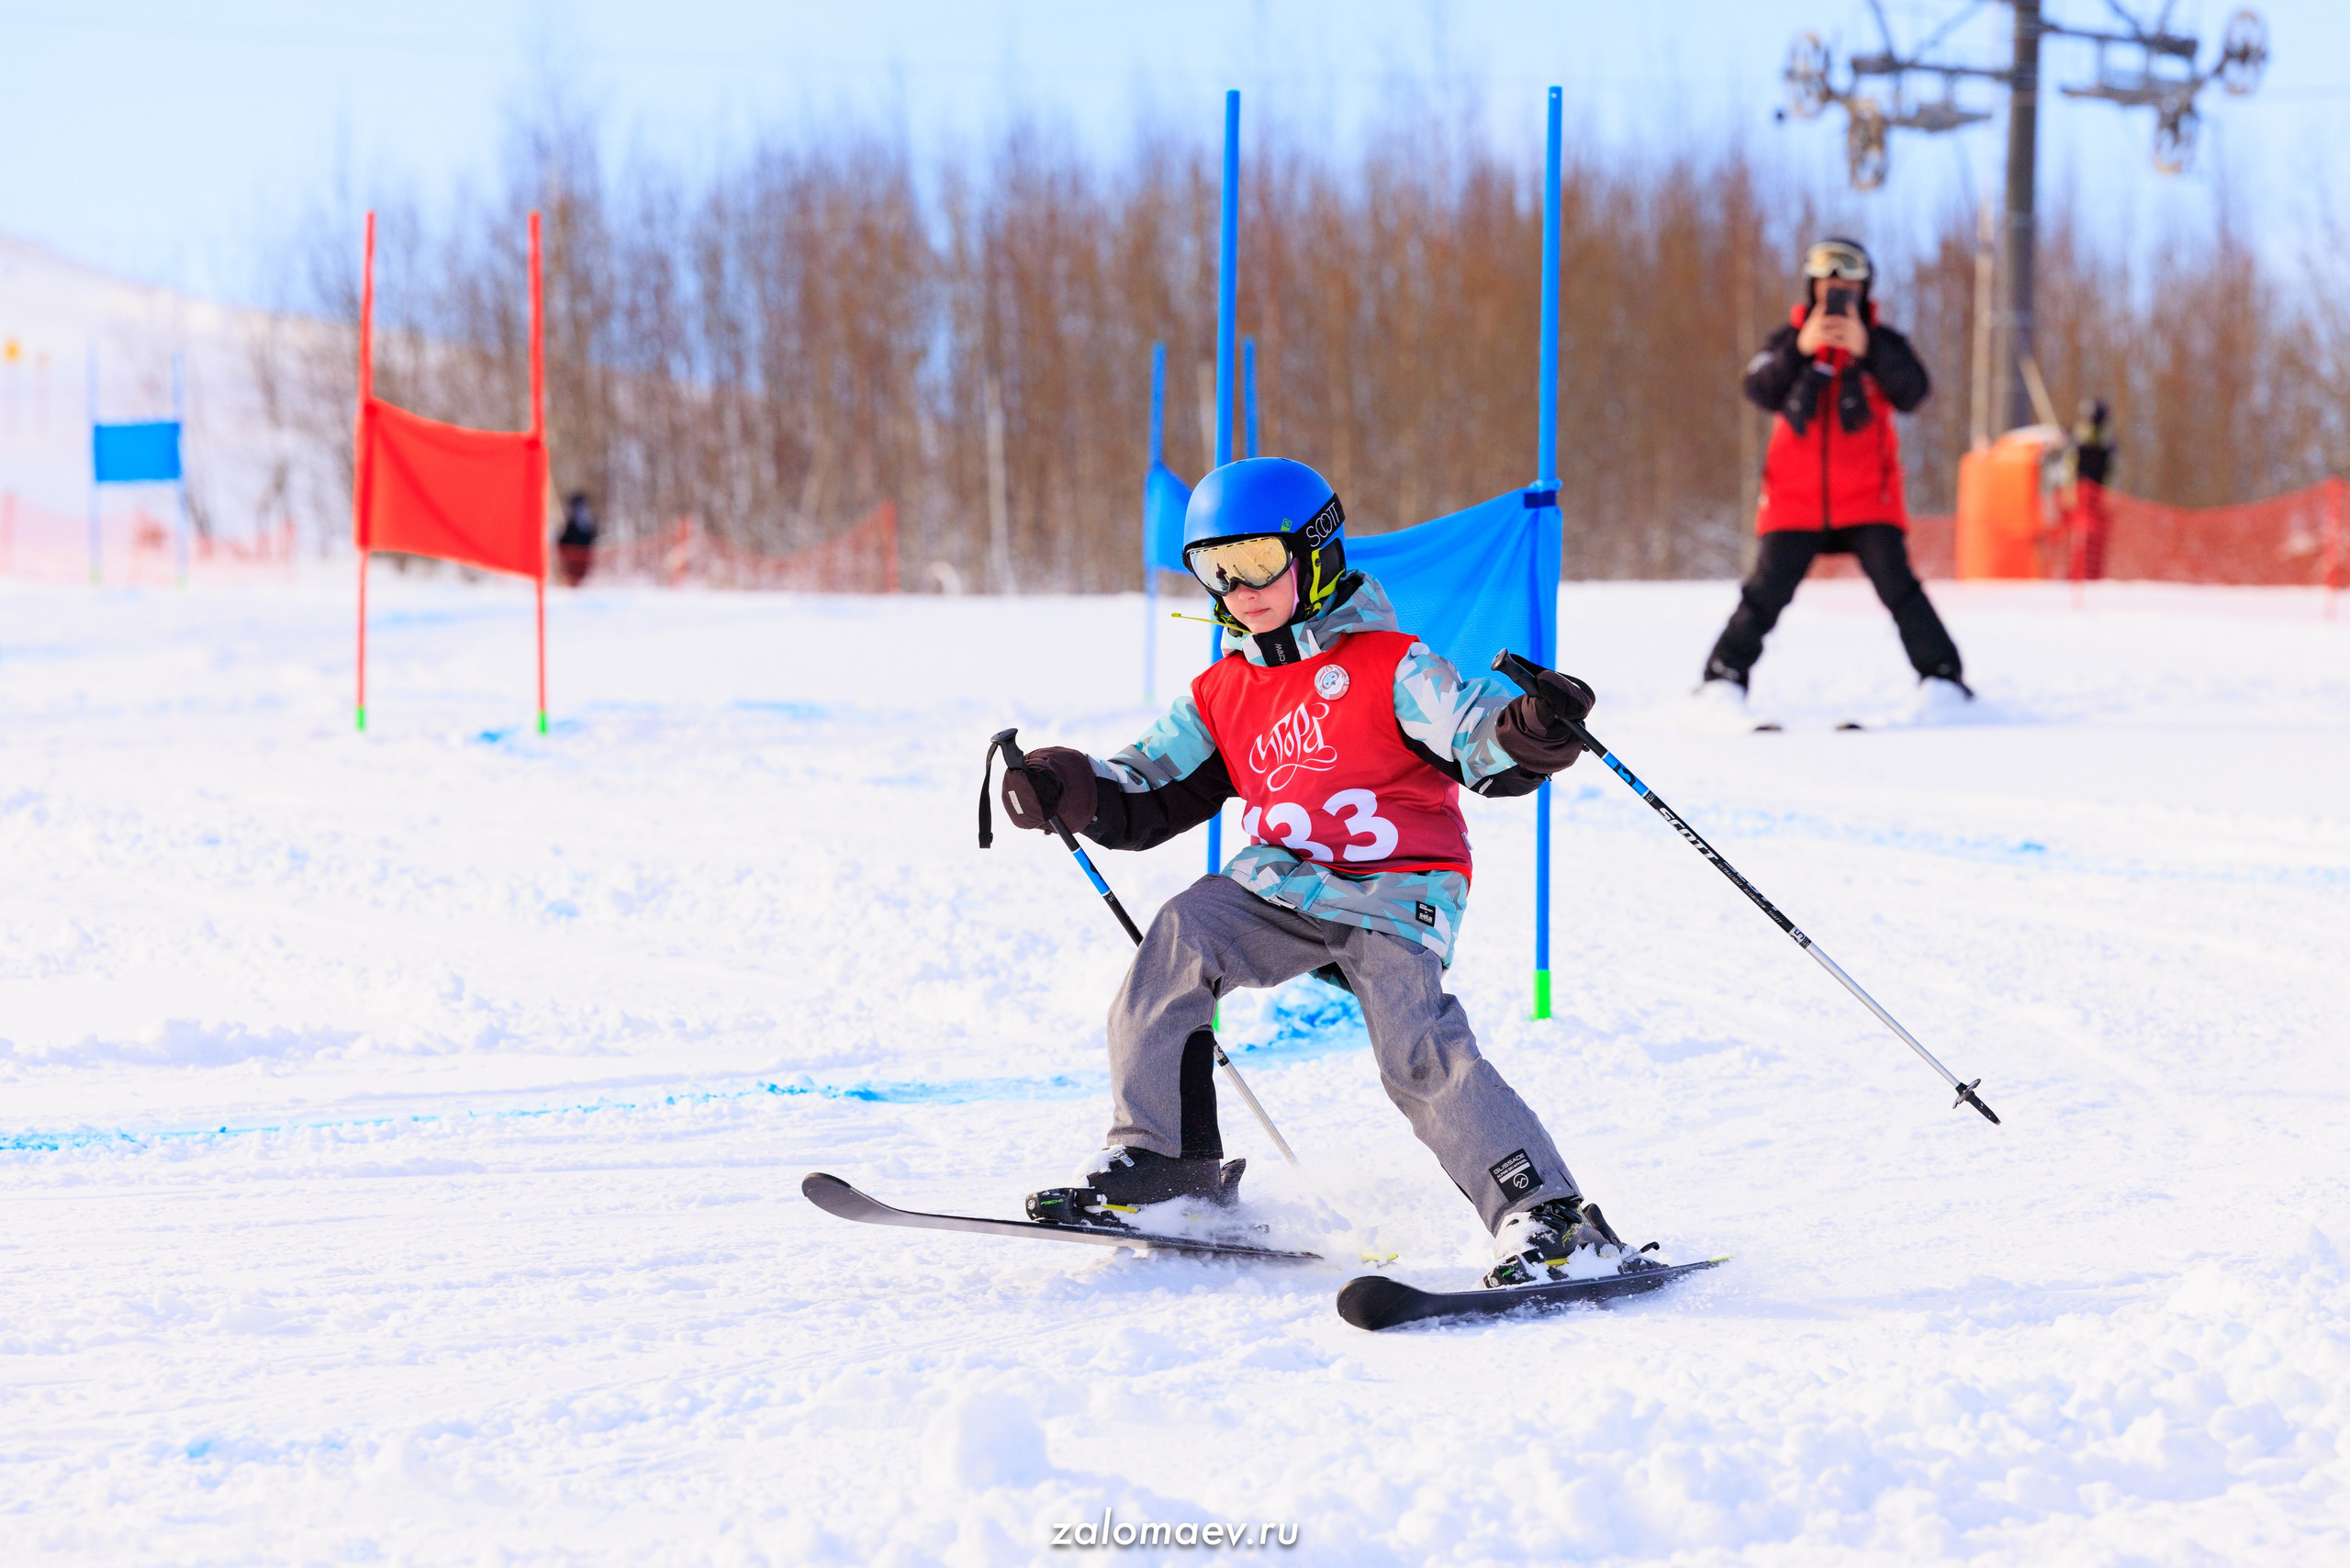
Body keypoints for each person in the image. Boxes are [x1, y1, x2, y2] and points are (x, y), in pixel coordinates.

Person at [997, 456, 1651, 1288]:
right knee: (1181, 935)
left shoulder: (1393, 663)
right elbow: (1150, 784)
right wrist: (1071, 787)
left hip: (1397, 886)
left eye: (1259, 563)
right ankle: (1164, 1171)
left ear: (1316, 554)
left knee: (1417, 1050)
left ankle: (1548, 1218)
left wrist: (1530, 730)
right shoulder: (1223, 691)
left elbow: (1476, 742)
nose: (1240, 590)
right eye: (1215, 569)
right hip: (1278, 885)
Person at [1700, 237, 1969, 719]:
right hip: (1794, 500)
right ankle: (1722, 680)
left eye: (1848, 278)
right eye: (1828, 277)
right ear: (1813, 284)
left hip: (1869, 498)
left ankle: (1943, 681)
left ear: (1864, 287)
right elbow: (1759, 389)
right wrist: (1801, 350)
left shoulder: (1885, 343)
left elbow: (1914, 391)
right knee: (1765, 593)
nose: (1838, 287)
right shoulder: (1787, 342)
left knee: (1899, 588)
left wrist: (1868, 351)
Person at [2068, 398, 2118, 581]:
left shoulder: (2103, 443)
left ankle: (2088, 573)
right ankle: (2080, 573)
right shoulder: (2083, 441)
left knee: (2089, 539)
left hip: (2093, 499)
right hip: (2084, 498)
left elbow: (2112, 471)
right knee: (2082, 539)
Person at [556, 491, 599, 588]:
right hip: (574, 562)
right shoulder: (573, 524)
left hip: (580, 562)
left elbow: (591, 539)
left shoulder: (586, 524)